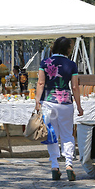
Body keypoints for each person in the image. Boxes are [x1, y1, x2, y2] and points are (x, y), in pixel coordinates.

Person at [35, 36, 83, 181]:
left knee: (52, 134)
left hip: (49, 102)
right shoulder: (71, 64)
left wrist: (37, 101)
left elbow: (41, 83)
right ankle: (69, 164)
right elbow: (74, 87)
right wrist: (79, 106)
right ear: (68, 49)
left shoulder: (45, 63)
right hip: (66, 103)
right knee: (67, 135)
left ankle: (55, 166)